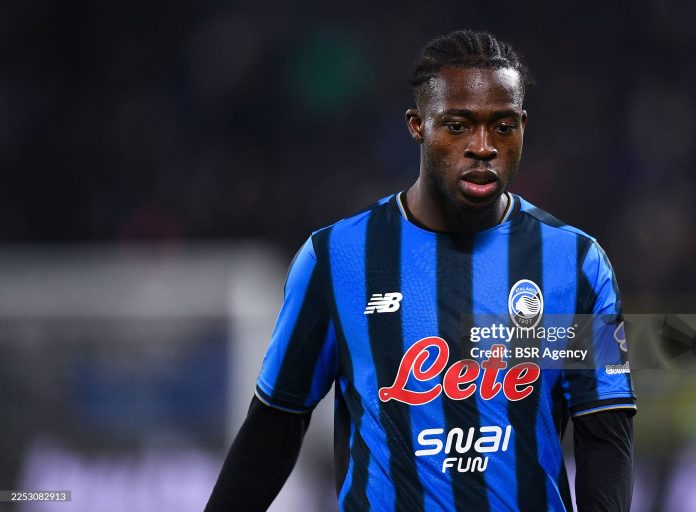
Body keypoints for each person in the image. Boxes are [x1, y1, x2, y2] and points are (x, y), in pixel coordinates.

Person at [205, 29, 636, 512]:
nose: (483, 146)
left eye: (503, 126)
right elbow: (275, 424)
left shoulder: (575, 263)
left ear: (522, 126)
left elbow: (604, 435)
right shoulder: (336, 258)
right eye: (457, 125)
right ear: (418, 126)